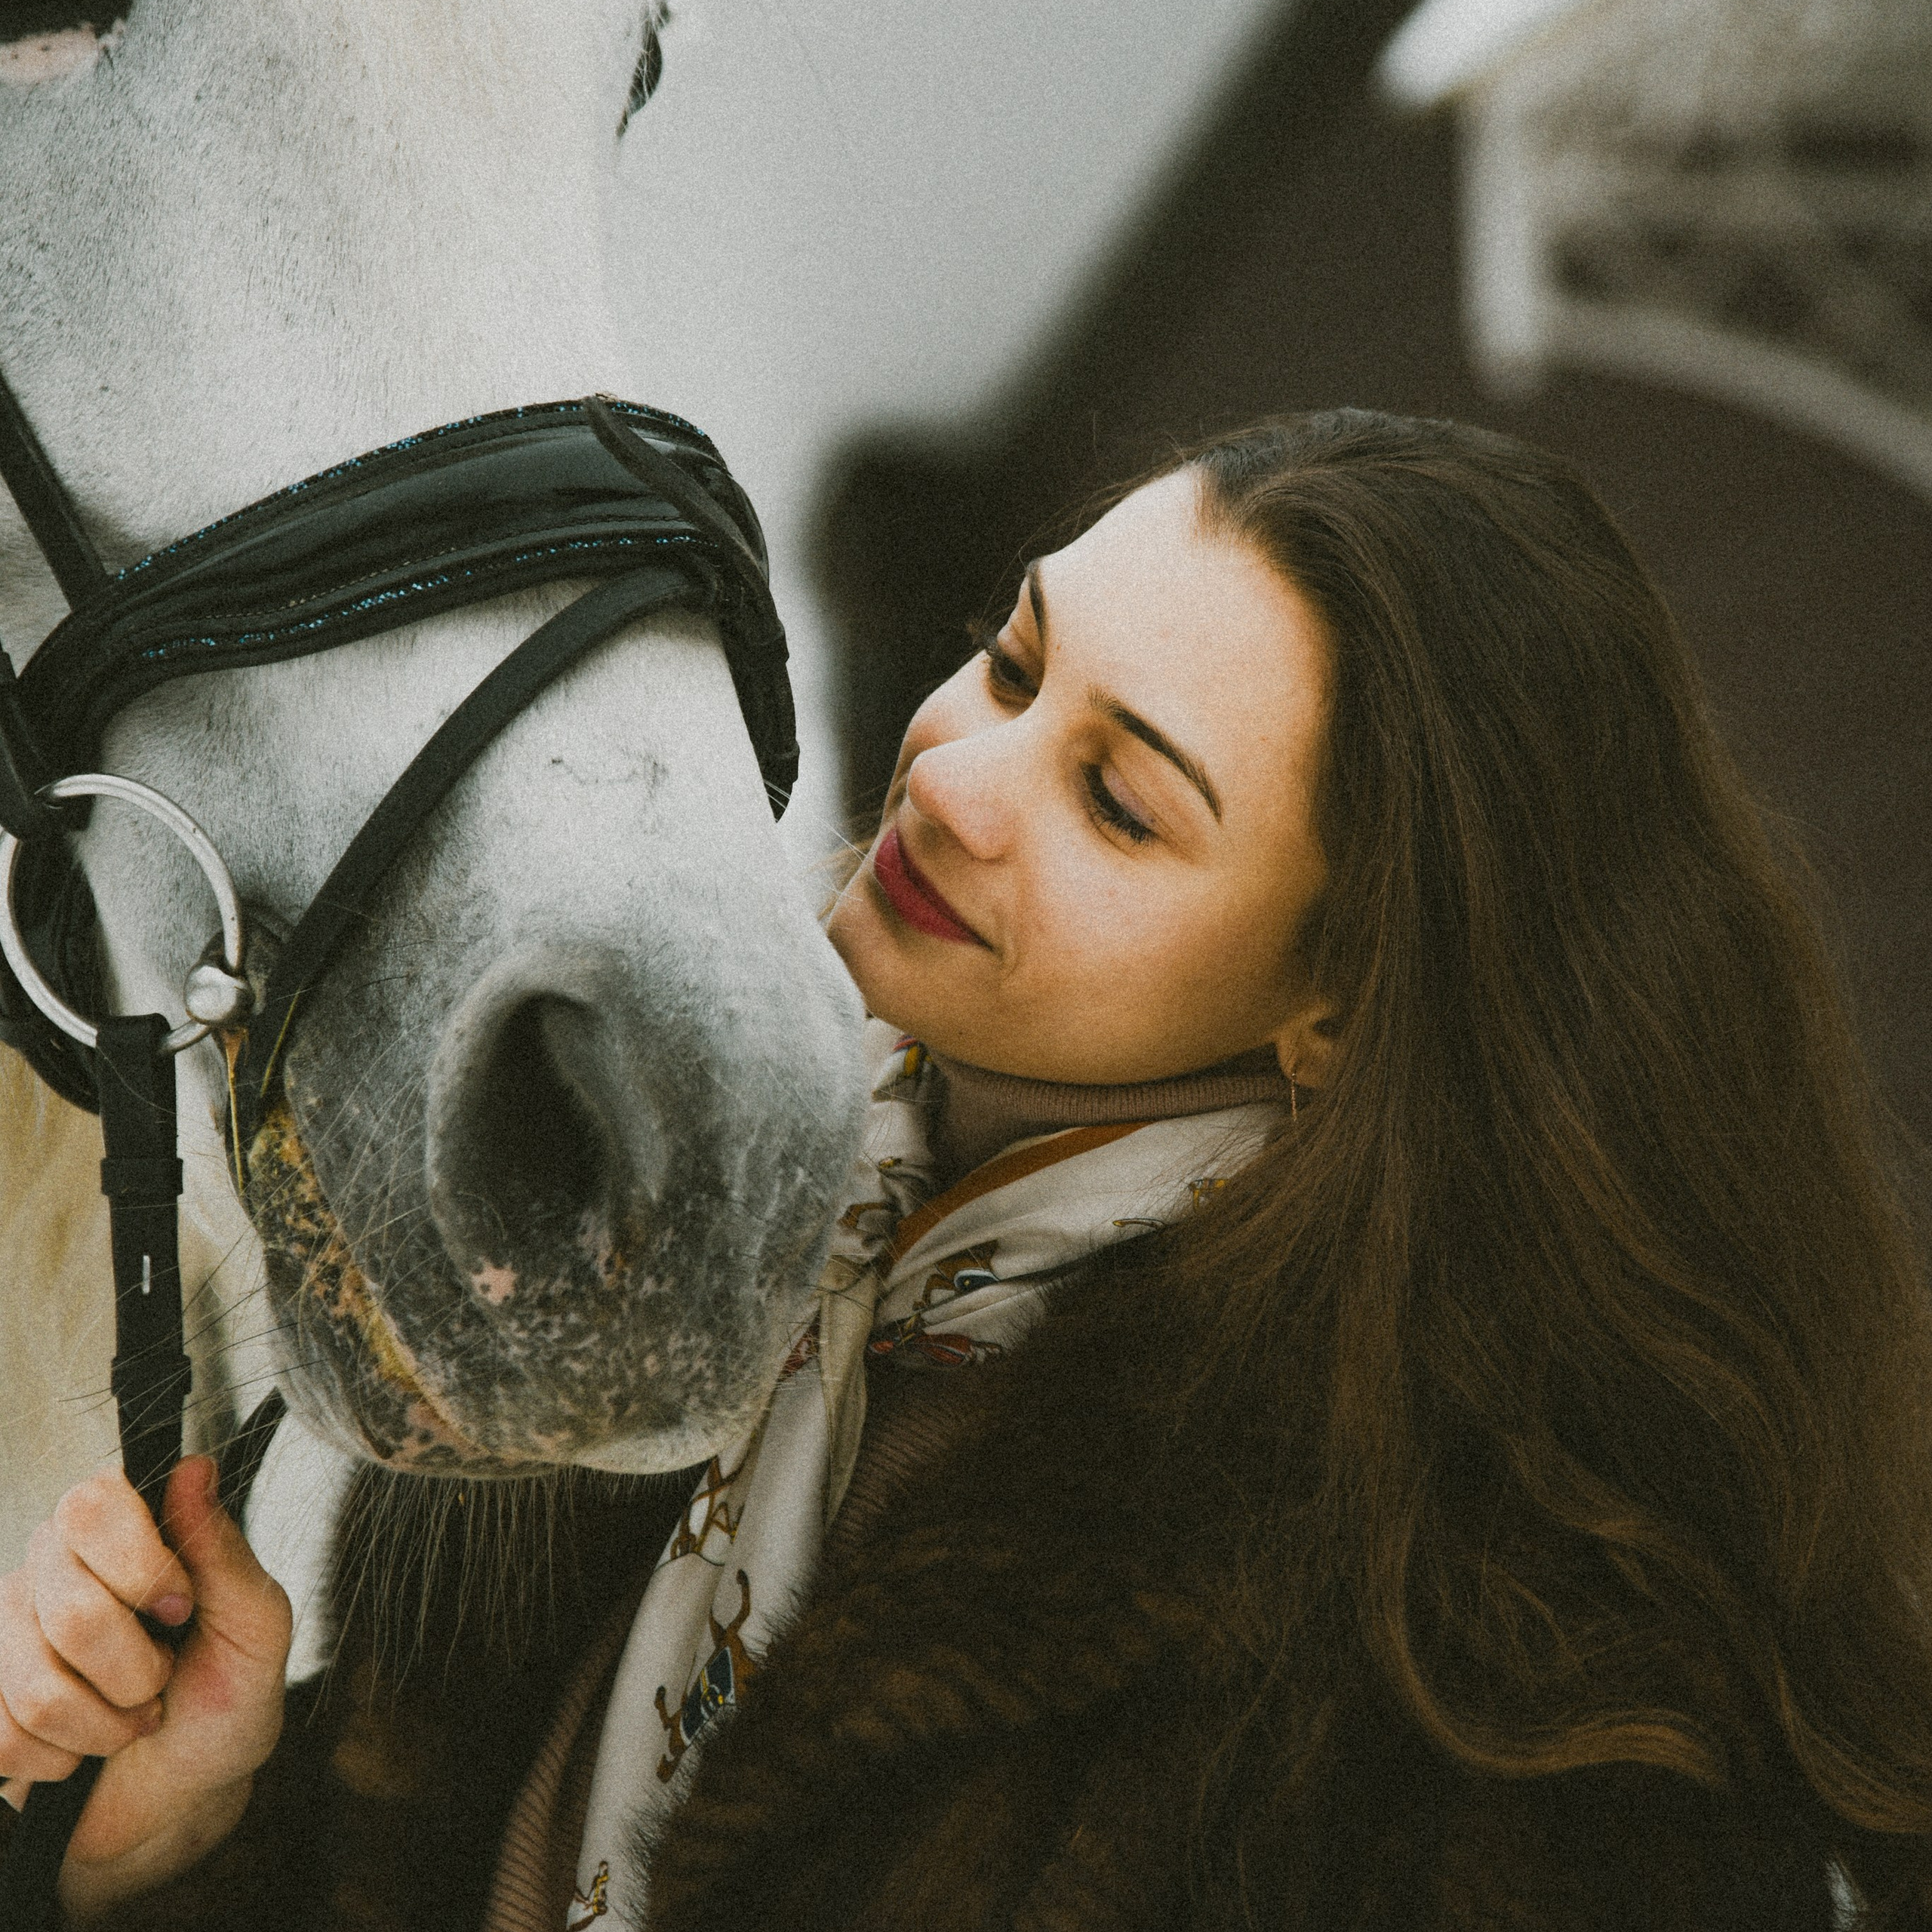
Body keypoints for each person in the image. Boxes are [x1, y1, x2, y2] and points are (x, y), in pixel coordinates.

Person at [3, 408, 1929, 1928]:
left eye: (1116, 798)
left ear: (1339, 1010)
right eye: (1013, 664)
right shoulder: (696, 1222)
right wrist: (162, 1846)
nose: (953, 777)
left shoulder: (1475, 1702)